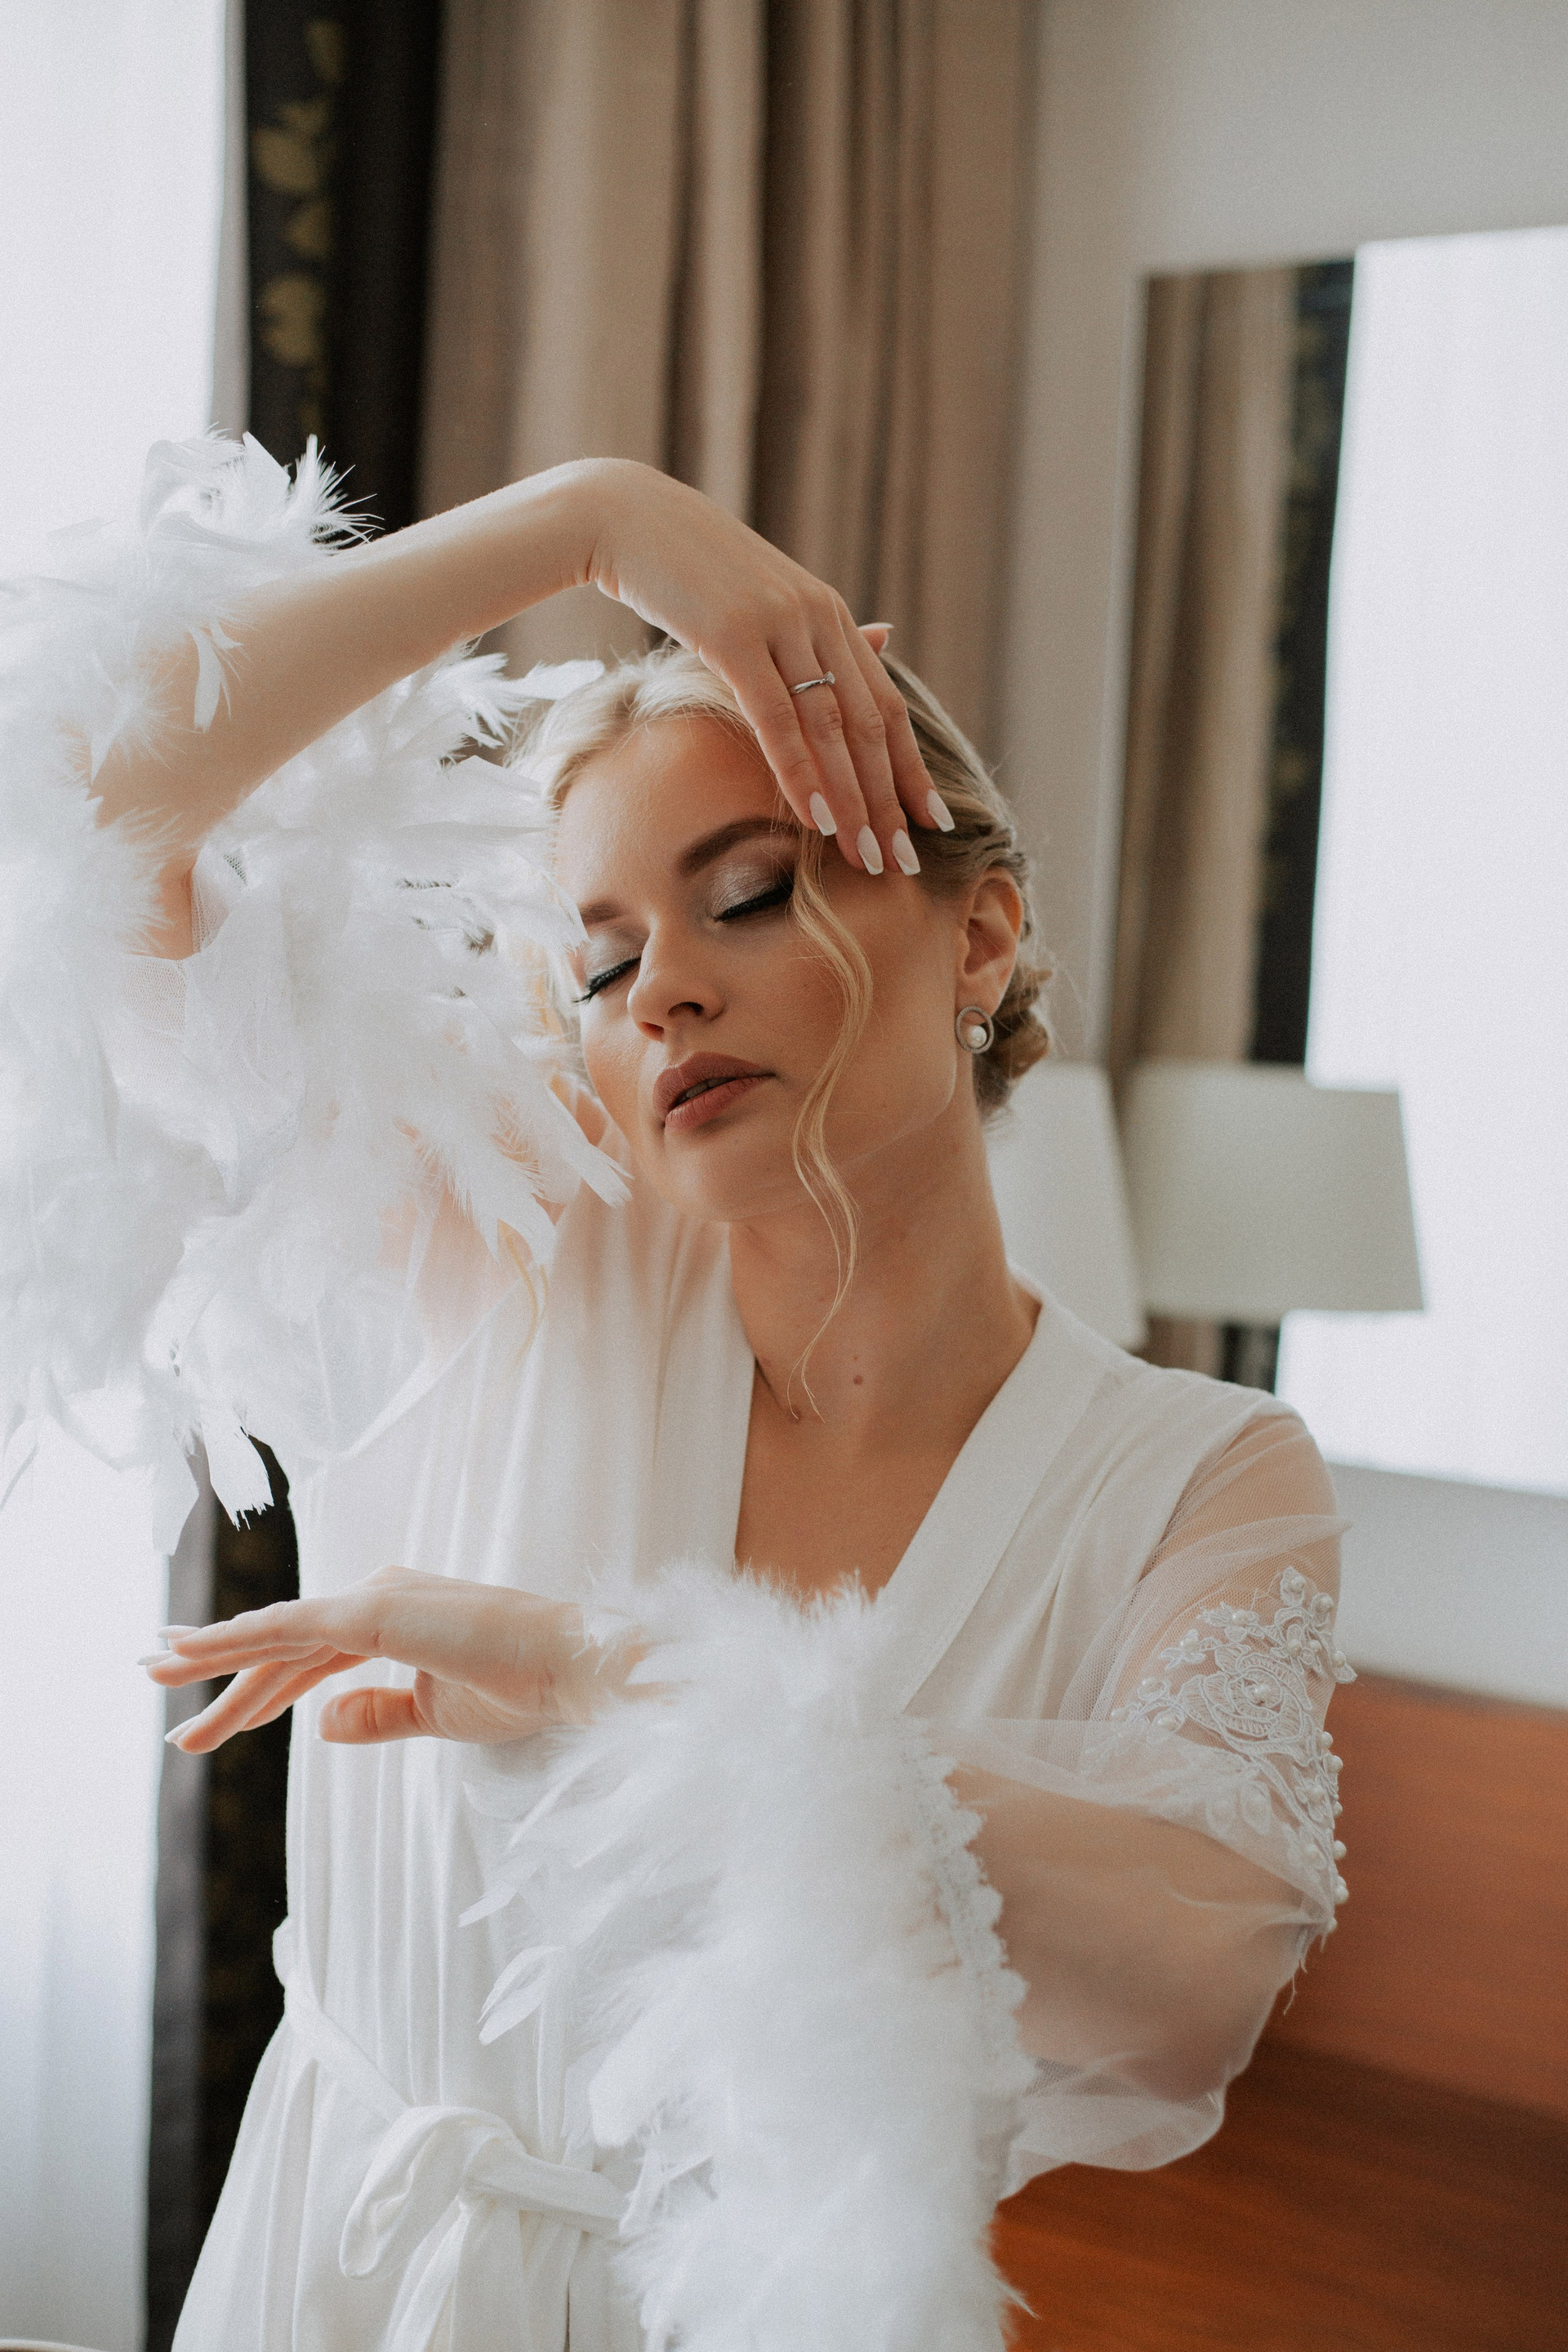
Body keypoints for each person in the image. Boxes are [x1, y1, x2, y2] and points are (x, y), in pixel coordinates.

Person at [4, 436, 1352, 2352]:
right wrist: (589, 520)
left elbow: (1202, 1958)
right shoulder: (515, 1233)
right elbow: (71, 799)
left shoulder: (1201, 1479)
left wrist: (595, 1674)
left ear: (978, 939)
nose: (660, 999)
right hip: (343, 2279)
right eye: (605, 960)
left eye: (752, 895)